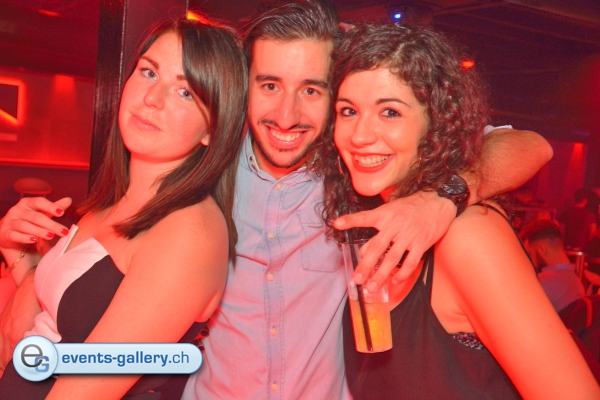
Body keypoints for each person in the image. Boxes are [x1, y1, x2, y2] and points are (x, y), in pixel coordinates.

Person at [183, 1, 554, 399]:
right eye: (269, 86)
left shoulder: (356, 173)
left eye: (311, 89)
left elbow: (529, 145)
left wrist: (441, 197)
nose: (286, 116)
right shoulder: (206, 171)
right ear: (245, 87)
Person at [321, 23, 600, 399]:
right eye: (348, 111)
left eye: (389, 112)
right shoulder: (374, 228)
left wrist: (445, 197)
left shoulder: (467, 235)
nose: (359, 136)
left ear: (436, 125)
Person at [0, 15, 247, 399]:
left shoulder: (188, 232)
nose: (152, 98)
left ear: (214, 129)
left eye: (185, 92)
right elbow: (64, 317)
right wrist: (17, 252)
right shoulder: (114, 202)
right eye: (149, 72)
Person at [521, 219, 585, 312]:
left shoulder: (540, 283)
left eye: (530, 254)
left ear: (542, 249)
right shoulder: (577, 282)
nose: (529, 260)